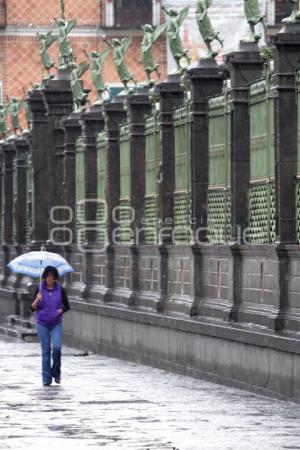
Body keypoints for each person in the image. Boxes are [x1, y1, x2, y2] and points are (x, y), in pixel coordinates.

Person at [31, 266, 70, 386]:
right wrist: (37, 299)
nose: (50, 278)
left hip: (55, 323)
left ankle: (56, 372)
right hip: (42, 323)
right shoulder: (39, 288)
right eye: (48, 276)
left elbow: (67, 306)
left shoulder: (60, 289)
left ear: (55, 277)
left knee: (57, 348)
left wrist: (60, 311)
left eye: (52, 276)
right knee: (46, 351)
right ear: (44, 277)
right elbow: (32, 308)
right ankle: (46, 378)